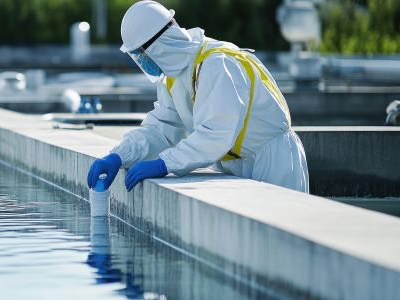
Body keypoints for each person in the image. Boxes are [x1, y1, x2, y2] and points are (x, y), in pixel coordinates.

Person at [87, 0, 309, 193]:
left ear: (158, 47)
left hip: (272, 160)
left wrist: (165, 164)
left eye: (141, 55)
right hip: (236, 163)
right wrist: (119, 155)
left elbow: (216, 134)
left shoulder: (216, 64)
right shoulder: (175, 77)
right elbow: (161, 130)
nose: (142, 63)